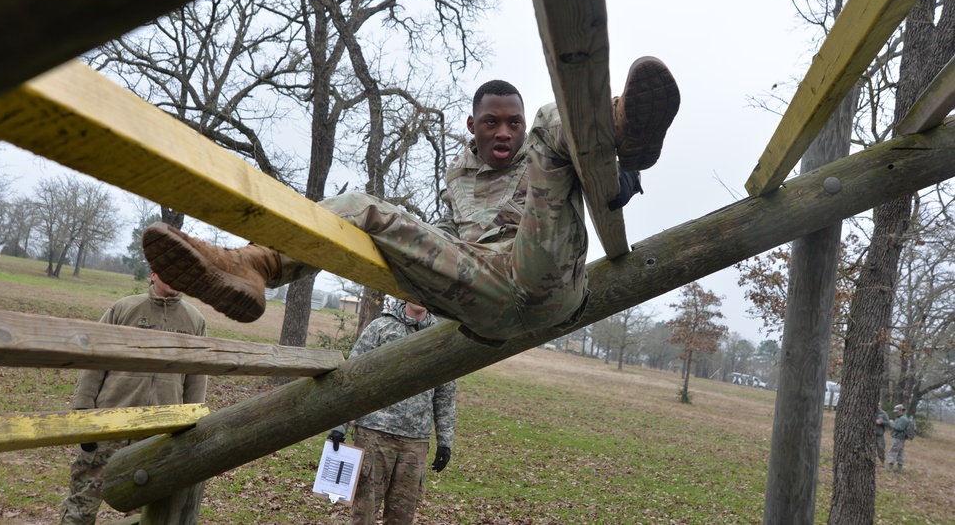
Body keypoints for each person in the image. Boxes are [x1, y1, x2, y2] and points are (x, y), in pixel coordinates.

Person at [142, 57, 680, 344]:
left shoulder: (542, 154)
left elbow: (603, 187)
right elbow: (447, 238)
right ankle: (253, 268)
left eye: (511, 124)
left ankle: (621, 126)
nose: (504, 133)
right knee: (357, 204)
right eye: (491, 122)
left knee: (551, 118)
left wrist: (624, 171)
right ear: (472, 125)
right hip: (485, 297)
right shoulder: (456, 178)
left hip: (547, 275)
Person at [57, 271, 208, 525]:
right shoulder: (124, 309)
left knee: (144, 514)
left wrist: (191, 426)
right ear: (153, 273)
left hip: (158, 434)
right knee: (81, 507)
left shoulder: (195, 320)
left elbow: (196, 377)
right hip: (110, 425)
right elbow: (95, 360)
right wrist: (83, 416)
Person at [326, 298, 456, 524]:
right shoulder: (380, 327)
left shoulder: (440, 335)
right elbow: (352, 376)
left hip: (415, 442)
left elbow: (445, 392)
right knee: (363, 513)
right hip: (374, 435)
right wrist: (340, 425)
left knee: (401, 517)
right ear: (405, 294)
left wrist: (445, 441)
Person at [887, 403, 912, 472]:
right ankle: (899, 468)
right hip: (900, 437)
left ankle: (890, 467)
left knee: (893, 451)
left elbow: (899, 428)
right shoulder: (901, 418)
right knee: (900, 452)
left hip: (899, 438)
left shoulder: (903, 419)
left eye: (897, 411)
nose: (896, 413)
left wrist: (892, 423)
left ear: (901, 410)